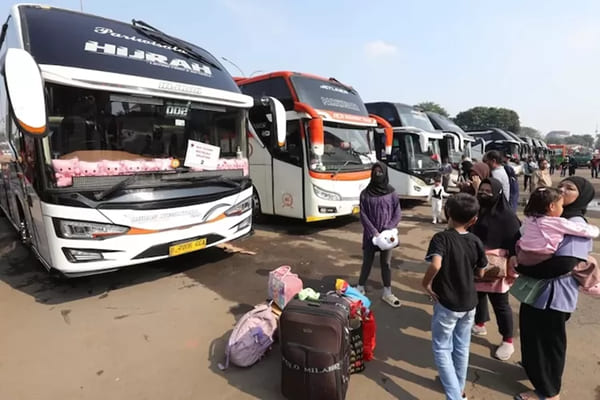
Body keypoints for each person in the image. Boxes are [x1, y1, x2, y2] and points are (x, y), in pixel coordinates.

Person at [512, 176, 596, 400]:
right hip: (535, 289)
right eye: (561, 185)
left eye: (570, 188)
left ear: (582, 196)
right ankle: (535, 369)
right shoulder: (548, 216)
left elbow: (564, 264)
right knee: (530, 332)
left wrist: (523, 267)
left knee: (549, 341)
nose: (562, 189)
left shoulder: (576, 224)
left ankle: (549, 392)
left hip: (555, 293)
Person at [423, 193, 488, 400]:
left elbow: (436, 265)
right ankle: (458, 388)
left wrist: (425, 284)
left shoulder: (441, 238)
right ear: (474, 220)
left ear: (447, 212)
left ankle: (455, 396)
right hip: (469, 302)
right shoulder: (475, 241)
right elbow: (481, 272)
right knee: (462, 346)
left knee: (442, 348)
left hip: (448, 304)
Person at [470, 178, 521, 361]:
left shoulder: (508, 217)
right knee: (477, 297)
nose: (484, 193)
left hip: (497, 268)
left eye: (488, 191)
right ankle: (480, 324)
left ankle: (507, 340)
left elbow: (515, 244)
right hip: (476, 264)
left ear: (498, 193)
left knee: (500, 304)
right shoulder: (476, 210)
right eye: (482, 190)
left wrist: (512, 268)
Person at [357, 162, 402, 307]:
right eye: (375, 171)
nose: (378, 174)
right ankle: (360, 287)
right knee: (367, 262)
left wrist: (388, 229)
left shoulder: (391, 192)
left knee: (386, 263)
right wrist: (374, 232)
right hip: (371, 236)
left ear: (385, 173)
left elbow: (397, 213)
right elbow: (363, 214)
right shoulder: (365, 194)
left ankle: (387, 292)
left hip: (387, 236)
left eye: (380, 172)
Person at [517, 186, 599, 266]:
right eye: (561, 205)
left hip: (523, 255)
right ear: (552, 207)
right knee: (590, 263)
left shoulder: (529, 219)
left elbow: (521, 232)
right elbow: (579, 230)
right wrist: (595, 230)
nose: (562, 209)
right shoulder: (556, 222)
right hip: (543, 257)